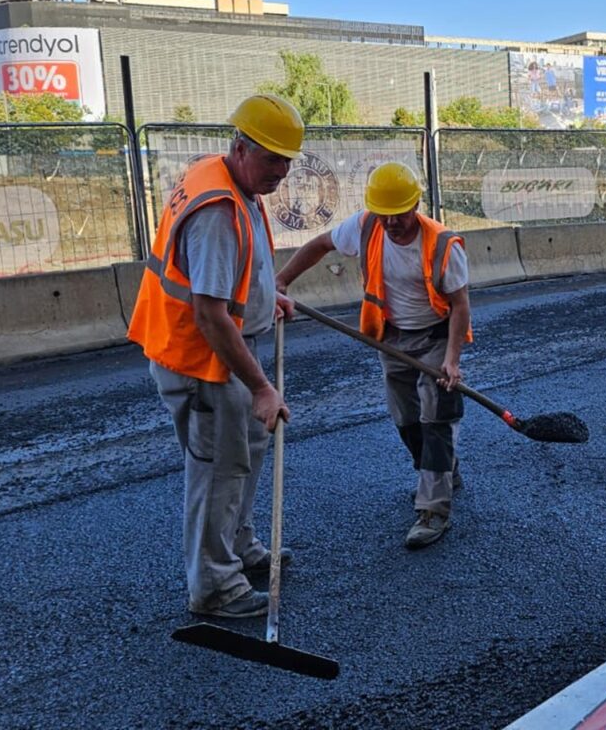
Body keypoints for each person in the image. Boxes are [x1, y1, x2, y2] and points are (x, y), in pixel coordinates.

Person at [129, 93, 303, 619]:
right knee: (218, 470)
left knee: (243, 458)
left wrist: (266, 295)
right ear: (240, 147)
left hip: (225, 350)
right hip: (203, 359)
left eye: (288, 160)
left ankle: (239, 548)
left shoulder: (225, 177)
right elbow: (210, 315)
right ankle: (213, 585)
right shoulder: (218, 211)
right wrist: (262, 388)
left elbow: (233, 276)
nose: (282, 172)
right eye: (272, 158)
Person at [277, 162, 471, 548]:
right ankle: (440, 467)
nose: (391, 222)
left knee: (436, 418)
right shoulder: (366, 226)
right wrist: (281, 280)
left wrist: (451, 360)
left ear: (415, 204)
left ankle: (433, 509)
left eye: (398, 213)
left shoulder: (442, 244)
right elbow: (319, 246)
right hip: (391, 337)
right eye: (384, 213)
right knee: (405, 418)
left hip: (434, 335)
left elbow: (460, 305)